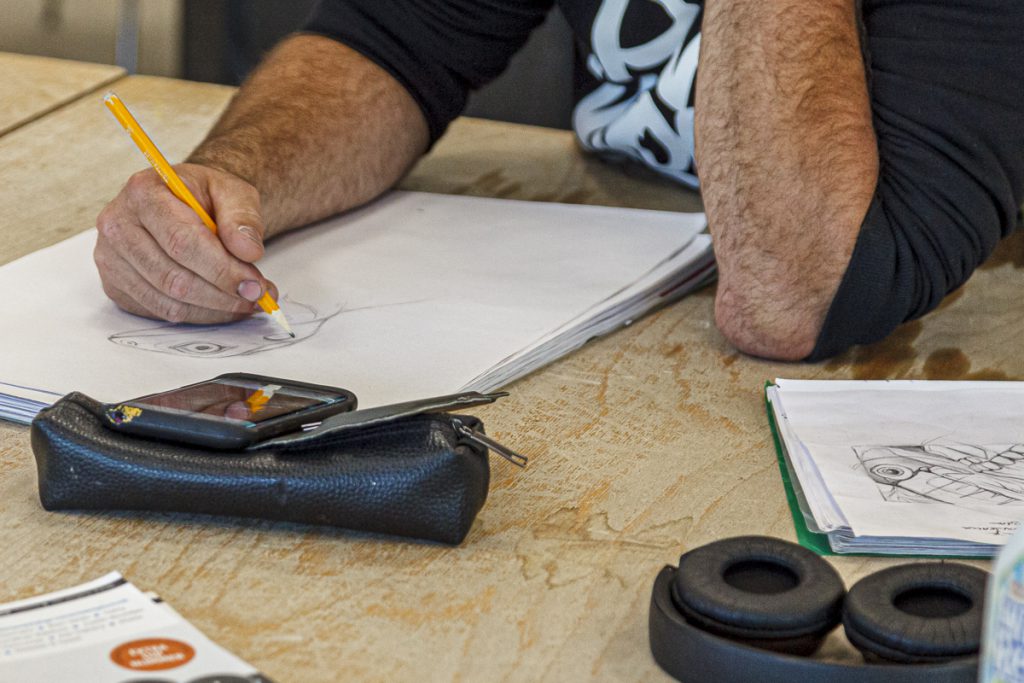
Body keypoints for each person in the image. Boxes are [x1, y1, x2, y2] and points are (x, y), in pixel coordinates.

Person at [93, 0, 1024, 361]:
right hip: (630, 315)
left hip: (938, 368)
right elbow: (389, 43)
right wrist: (232, 177)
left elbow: (799, 299)